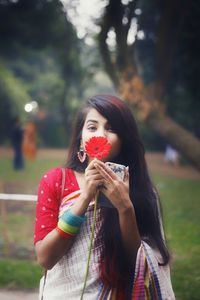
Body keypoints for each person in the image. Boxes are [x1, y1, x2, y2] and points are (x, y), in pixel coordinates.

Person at [34, 95, 175, 299]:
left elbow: (138, 265)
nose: (101, 135)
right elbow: (46, 258)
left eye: (111, 128)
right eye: (92, 127)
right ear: (80, 139)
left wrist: (125, 207)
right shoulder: (57, 180)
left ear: (124, 140)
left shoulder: (141, 189)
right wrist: (84, 199)